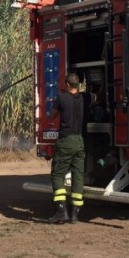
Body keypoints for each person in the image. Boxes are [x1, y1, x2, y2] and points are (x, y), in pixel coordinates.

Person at [47, 72, 94, 224]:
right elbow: (97, 96)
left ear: (67, 85)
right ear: (78, 85)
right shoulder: (86, 98)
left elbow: (52, 115)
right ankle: (75, 214)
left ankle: (62, 211)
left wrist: (57, 103)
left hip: (66, 141)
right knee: (78, 176)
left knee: (57, 174)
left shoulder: (61, 98)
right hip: (80, 141)